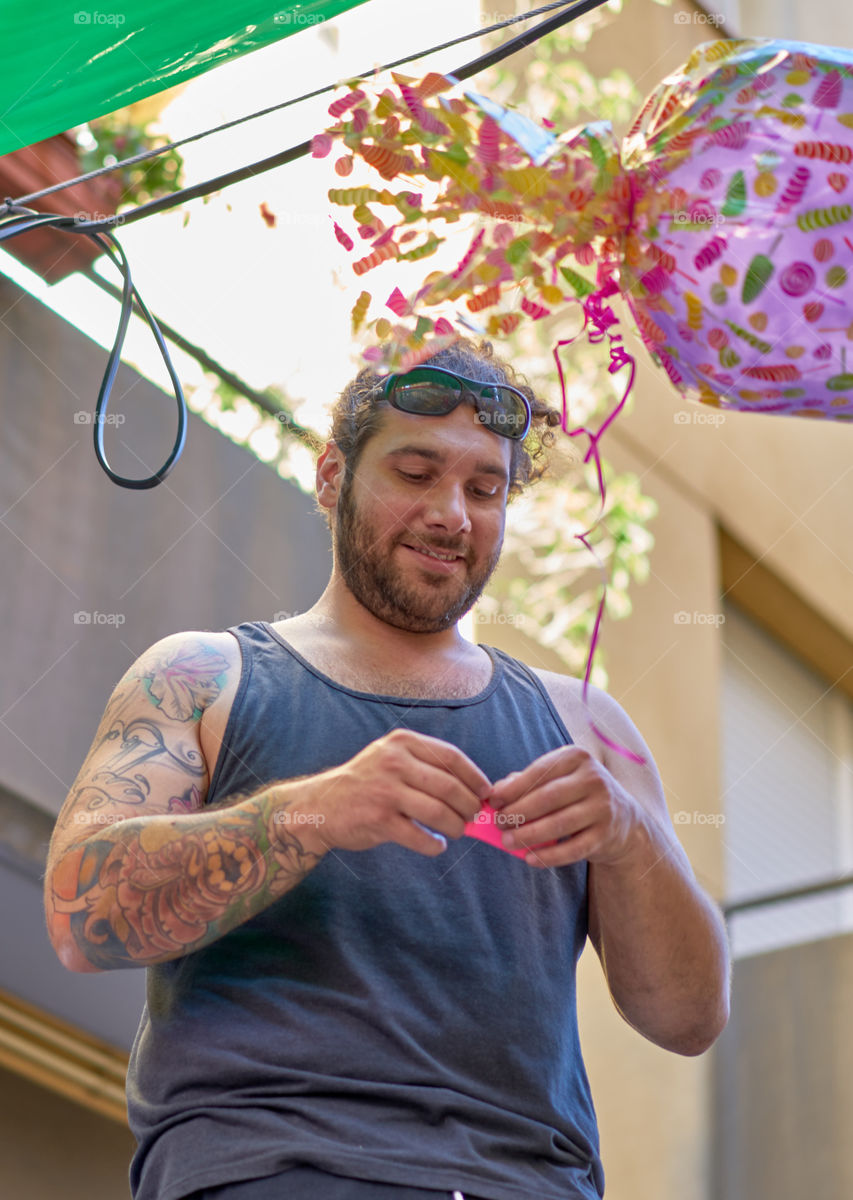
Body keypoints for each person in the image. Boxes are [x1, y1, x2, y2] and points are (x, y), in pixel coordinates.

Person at [44, 339, 731, 1200]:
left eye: (485, 489)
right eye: (414, 472)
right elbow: (82, 917)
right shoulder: (203, 676)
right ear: (332, 476)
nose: (452, 513)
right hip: (275, 1172)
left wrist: (633, 841)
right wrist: (312, 813)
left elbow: (689, 1019)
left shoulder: (583, 725)